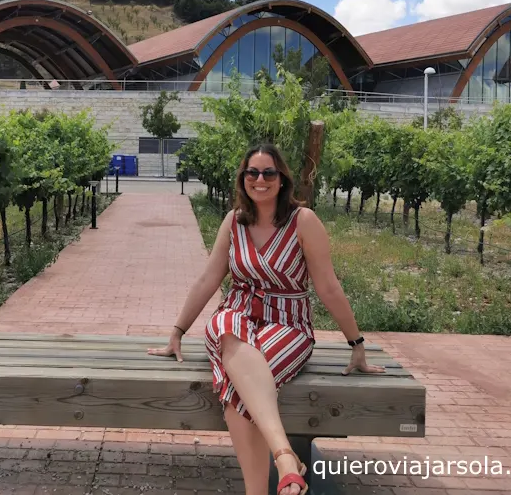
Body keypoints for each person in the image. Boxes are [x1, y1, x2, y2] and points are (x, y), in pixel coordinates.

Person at [147, 143, 384, 495]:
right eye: (252, 173)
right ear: (242, 179)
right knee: (225, 327)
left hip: (288, 323)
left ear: (281, 177)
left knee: (237, 392)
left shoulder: (303, 221)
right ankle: (285, 458)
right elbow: (208, 279)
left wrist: (356, 343)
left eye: (268, 172)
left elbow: (328, 287)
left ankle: (262, 484)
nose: (260, 179)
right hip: (237, 314)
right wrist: (177, 332)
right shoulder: (233, 222)